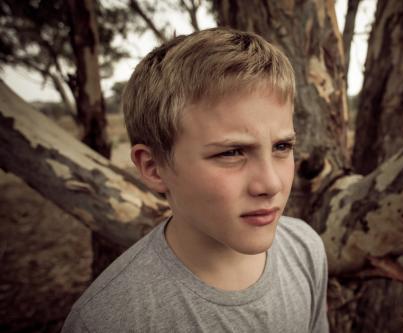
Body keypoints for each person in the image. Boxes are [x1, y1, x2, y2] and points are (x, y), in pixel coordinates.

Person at [62, 27, 329, 333]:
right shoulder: (109, 320)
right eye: (232, 152)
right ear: (154, 167)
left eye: (282, 147)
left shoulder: (305, 250)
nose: (271, 184)